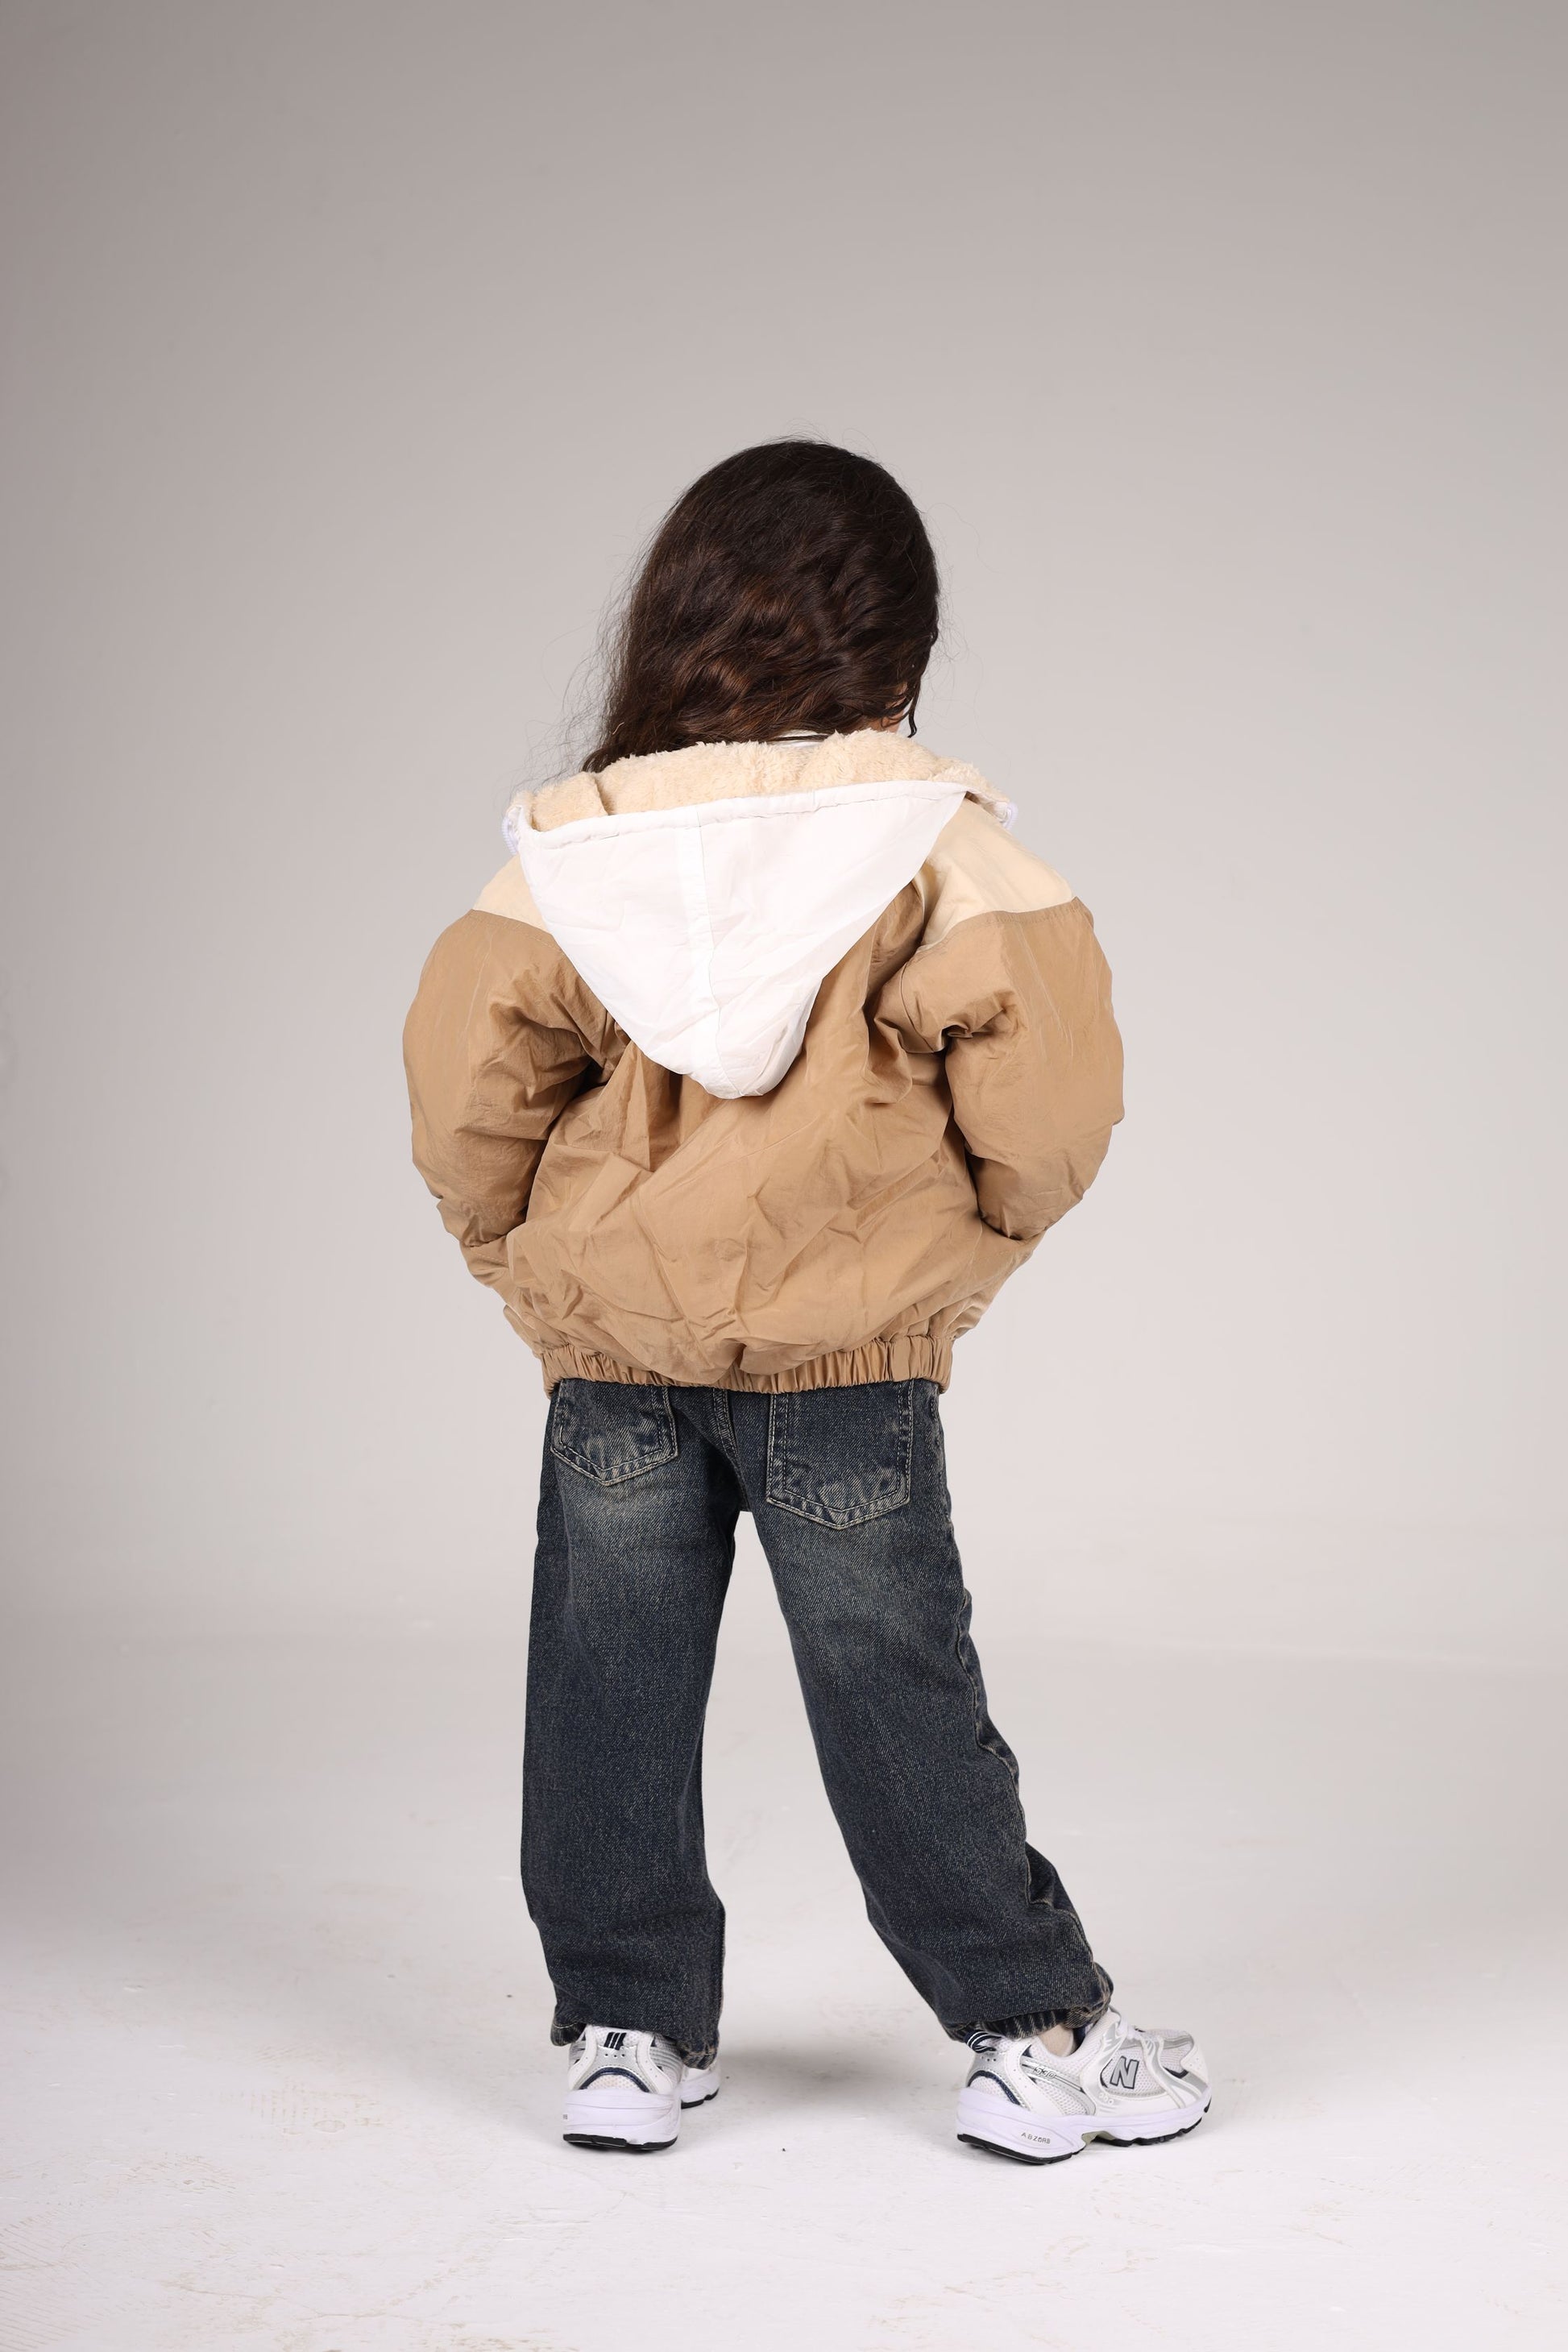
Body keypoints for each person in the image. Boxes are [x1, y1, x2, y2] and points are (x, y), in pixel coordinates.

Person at [402, 439, 1209, 2163]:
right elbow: (1052, 1104)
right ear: (895, 641)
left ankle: (623, 2034)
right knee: (894, 1682)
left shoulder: (571, 851)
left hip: (614, 1353)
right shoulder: (935, 845)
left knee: (607, 1682)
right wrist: (969, 1247)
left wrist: (526, 1267)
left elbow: (466, 1099)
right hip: (848, 1357)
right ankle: (1029, 2032)